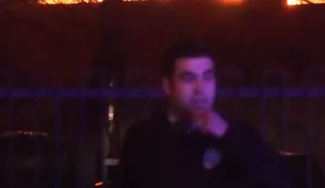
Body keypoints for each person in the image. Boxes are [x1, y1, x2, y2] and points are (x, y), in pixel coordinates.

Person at [118, 40, 290, 188]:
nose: (200, 89)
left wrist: (228, 135)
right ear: (168, 86)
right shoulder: (142, 137)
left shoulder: (239, 135)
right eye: (188, 78)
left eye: (207, 77)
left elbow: (279, 181)